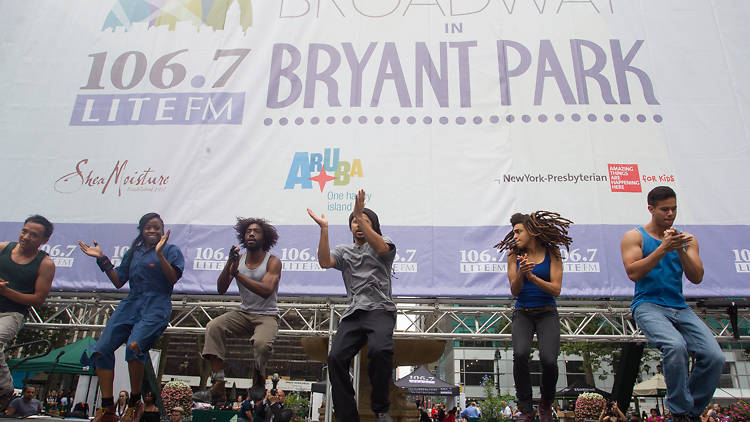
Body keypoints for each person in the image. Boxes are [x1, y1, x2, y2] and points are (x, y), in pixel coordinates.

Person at [621, 186, 725, 422]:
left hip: (679, 307)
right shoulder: (635, 236)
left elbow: (696, 277)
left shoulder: (687, 240)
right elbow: (633, 272)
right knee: (675, 347)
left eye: (674, 209)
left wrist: (679, 250)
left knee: (715, 356)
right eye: (664, 209)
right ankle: (679, 411)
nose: (670, 214)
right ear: (651, 209)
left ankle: (691, 413)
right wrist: (663, 248)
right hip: (648, 304)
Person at [78, 212, 185, 422]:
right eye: (148, 227)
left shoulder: (172, 251)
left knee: (134, 347)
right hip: (131, 303)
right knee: (100, 350)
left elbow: (172, 279)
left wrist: (159, 253)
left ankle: (135, 402)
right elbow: (118, 280)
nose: (152, 231)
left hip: (156, 305)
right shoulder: (133, 253)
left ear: (163, 230)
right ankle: (108, 409)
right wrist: (102, 258)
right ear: (141, 230)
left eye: (157, 227)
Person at [308, 189, 398, 422]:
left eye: (364, 222)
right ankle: (347, 416)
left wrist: (359, 213)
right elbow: (324, 261)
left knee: (380, 351)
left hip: (380, 309)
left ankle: (380, 409)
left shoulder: (384, 243)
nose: (358, 225)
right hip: (353, 314)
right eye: (355, 222)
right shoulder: (344, 251)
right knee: (335, 358)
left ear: (373, 226)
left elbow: (380, 249)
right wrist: (324, 229)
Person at [494, 211, 572, 422]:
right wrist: (522, 273)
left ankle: (546, 402)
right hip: (523, 313)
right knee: (520, 354)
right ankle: (526, 408)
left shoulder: (552, 252)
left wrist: (532, 277)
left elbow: (556, 289)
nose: (515, 236)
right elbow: (515, 290)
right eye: (514, 232)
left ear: (532, 231)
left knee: (548, 359)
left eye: (519, 231)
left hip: (547, 311)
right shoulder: (513, 254)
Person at [198, 217, 282, 404]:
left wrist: (237, 274)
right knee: (213, 326)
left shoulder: (273, 261)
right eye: (248, 231)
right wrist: (229, 264)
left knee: (261, 343)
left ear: (265, 237)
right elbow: (221, 289)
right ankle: (218, 383)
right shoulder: (239, 260)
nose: (251, 233)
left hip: (267, 315)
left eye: (256, 231)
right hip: (243, 313)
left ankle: (259, 377)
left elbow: (266, 291)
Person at [0, 215, 56, 407]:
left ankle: (5, 388)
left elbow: (38, 300)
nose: (26, 237)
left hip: (12, 314)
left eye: (33, 235)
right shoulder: (3, 248)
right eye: (24, 231)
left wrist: (6, 291)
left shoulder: (45, 264)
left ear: (44, 240)